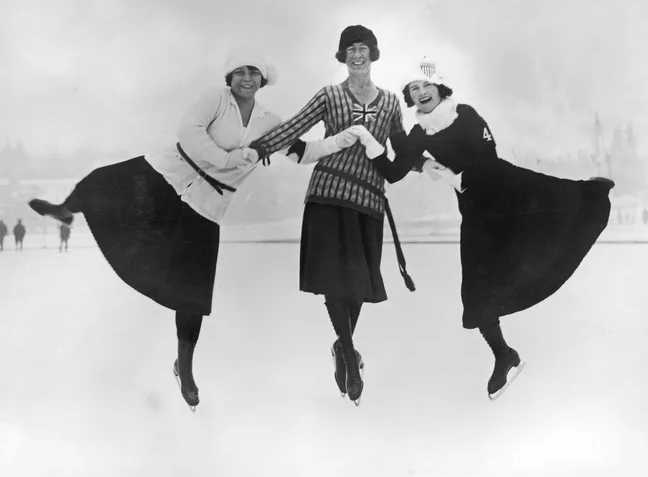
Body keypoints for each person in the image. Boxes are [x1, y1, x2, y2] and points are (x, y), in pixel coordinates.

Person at [27, 47, 359, 411]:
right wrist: (231, 158)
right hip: (166, 174)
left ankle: (183, 367)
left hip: (208, 205)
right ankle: (65, 210)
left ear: (263, 80)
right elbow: (190, 135)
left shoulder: (269, 122)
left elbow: (302, 152)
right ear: (229, 77)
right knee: (104, 182)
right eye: (240, 72)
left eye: (254, 72)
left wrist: (339, 141)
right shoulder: (215, 99)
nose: (246, 78)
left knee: (193, 293)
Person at [353, 58, 614, 400]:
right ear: (410, 98)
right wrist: (371, 139)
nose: (421, 92)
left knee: (567, 204)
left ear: (439, 87)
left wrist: (451, 176)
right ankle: (504, 355)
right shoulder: (418, 132)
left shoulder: (464, 114)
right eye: (413, 89)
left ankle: (595, 195)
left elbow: (486, 159)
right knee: (476, 292)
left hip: (510, 191)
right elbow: (393, 170)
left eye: (426, 85)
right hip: (477, 213)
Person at [247, 26, 422, 406]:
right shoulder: (329, 95)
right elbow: (294, 127)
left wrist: (432, 147)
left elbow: (402, 151)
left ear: (373, 54)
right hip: (327, 195)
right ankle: (349, 360)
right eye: (350, 49)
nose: (357, 55)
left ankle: (343, 348)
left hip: (370, 200)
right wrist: (259, 147)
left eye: (363, 49)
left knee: (357, 284)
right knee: (333, 279)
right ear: (342, 56)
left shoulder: (391, 103)